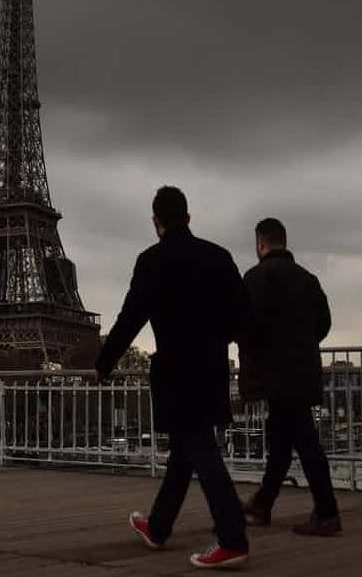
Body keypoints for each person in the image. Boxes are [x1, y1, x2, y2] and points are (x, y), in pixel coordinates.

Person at [96, 186, 250, 570]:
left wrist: (105, 362)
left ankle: (233, 537)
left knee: (199, 448)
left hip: (176, 369)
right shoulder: (219, 257)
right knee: (186, 450)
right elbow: (241, 317)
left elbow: (131, 317)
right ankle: (159, 525)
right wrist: (216, 339)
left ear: (156, 222)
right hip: (212, 365)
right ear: (189, 217)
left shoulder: (152, 260)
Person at [237, 218, 342, 536]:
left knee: (304, 442)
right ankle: (263, 503)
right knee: (284, 440)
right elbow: (323, 323)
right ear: (284, 241)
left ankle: (327, 512)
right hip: (303, 370)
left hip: (274, 374)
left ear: (260, 244)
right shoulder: (308, 279)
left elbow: (246, 325)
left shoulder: (256, 278)